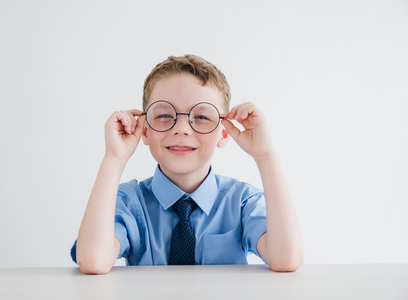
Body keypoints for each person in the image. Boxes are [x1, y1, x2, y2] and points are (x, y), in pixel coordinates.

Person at [70, 54, 304, 274]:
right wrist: (114, 158)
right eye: (163, 115)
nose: (181, 129)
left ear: (224, 134)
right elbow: (93, 260)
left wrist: (265, 156)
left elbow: (286, 258)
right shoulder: (129, 203)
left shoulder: (242, 202)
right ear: (144, 130)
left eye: (201, 117)